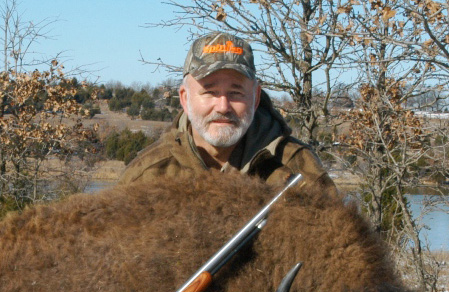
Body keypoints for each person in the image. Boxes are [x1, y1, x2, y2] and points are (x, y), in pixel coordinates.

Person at [119, 31, 338, 197]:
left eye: (236, 92)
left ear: (256, 97)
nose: (223, 106)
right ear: (185, 98)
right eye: (210, 92)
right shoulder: (145, 176)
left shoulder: (298, 168)